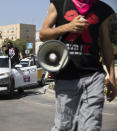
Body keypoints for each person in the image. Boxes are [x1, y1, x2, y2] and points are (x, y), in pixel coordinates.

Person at [39, 0, 117, 131]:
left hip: (94, 76)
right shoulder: (59, 3)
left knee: (90, 127)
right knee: (64, 126)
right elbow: (43, 34)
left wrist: (112, 77)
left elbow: (106, 44)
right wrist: (67, 27)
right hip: (66, 76)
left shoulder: (102, 8)